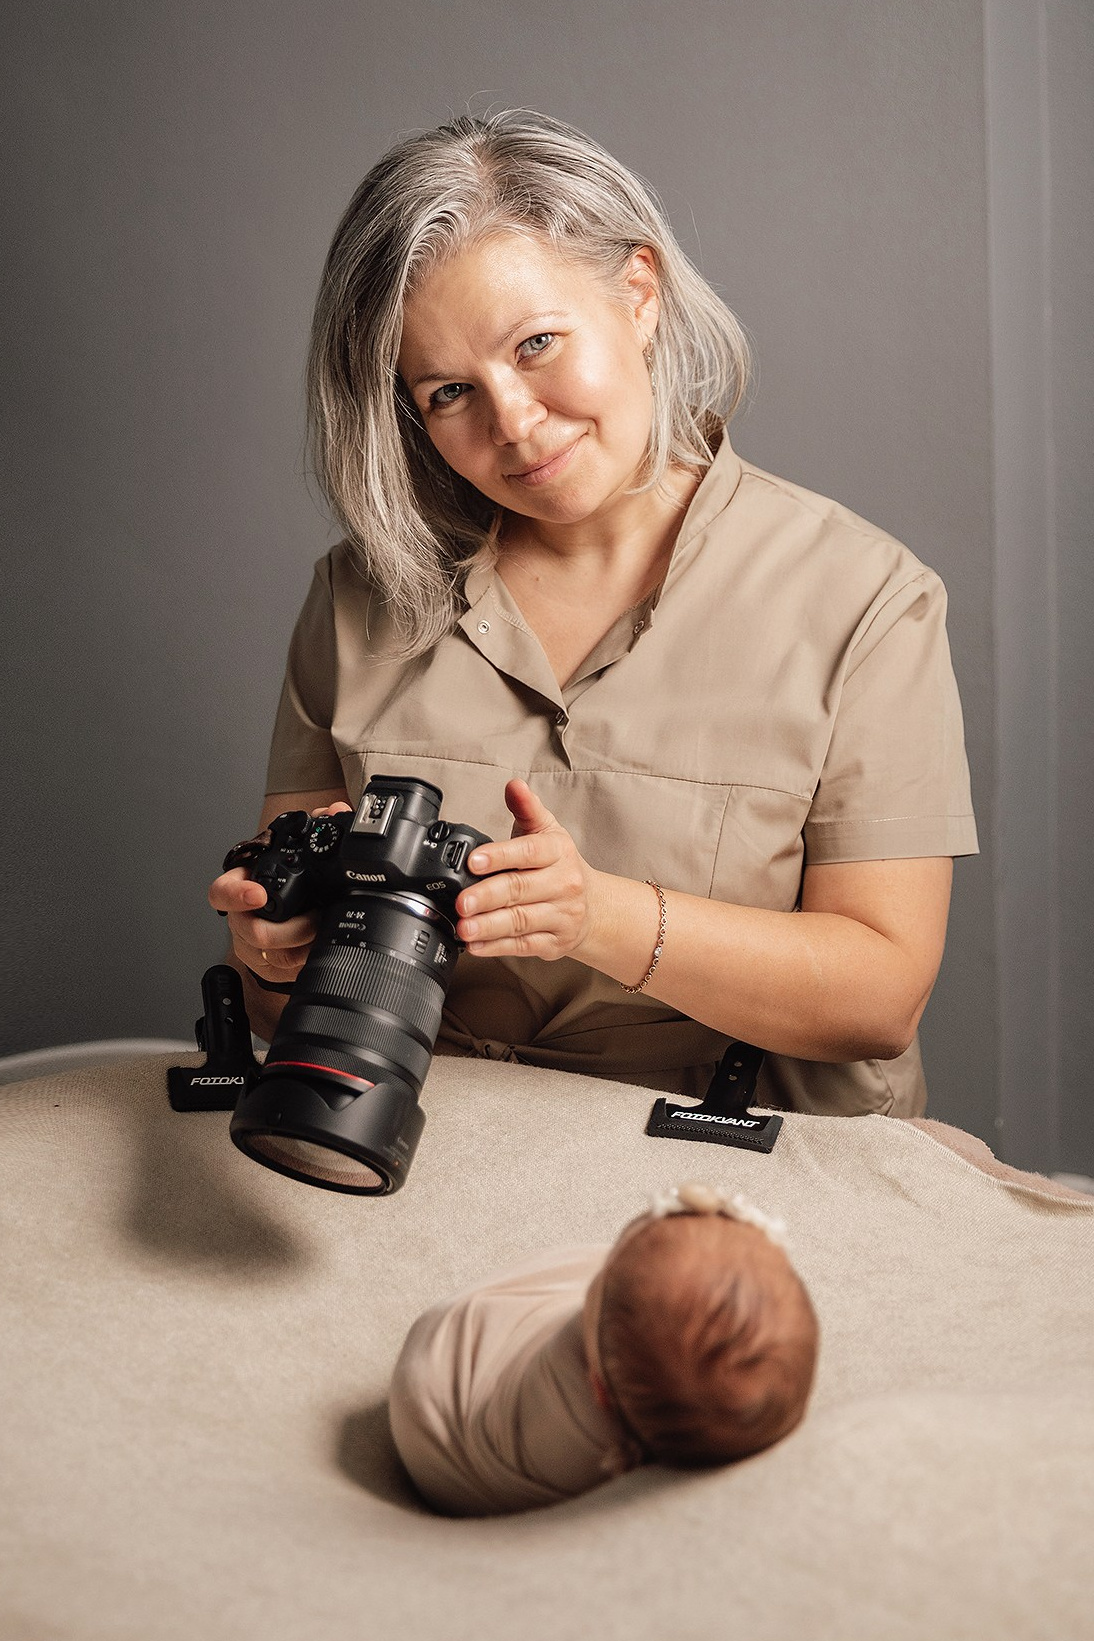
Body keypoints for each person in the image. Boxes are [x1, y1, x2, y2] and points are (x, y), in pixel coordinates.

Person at [208, 109, 979, 1115]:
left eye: (535, 344)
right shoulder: (355, 598)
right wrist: (271, 951)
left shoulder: (865, 599)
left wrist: (598, 918)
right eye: (447, 393)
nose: (513, 424)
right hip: (427, 1158)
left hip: (751, 1185)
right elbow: (288, 1016)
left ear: (636, 293)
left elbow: (879, 997)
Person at [387, 1182, 820, 1516]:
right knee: (657, 1298)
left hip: (438, 1391)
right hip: (448, 1441)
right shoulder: (675, 1421)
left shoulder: (567, 1401)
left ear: (597, 1388)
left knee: (638, 1294)